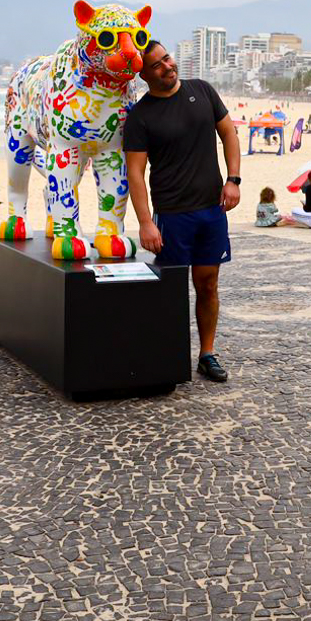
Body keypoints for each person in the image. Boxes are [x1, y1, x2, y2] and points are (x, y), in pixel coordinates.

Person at [123, 41, 241, 384]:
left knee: (208, 285)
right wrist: (145, 223)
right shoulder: (141, 116)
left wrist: (233, 179)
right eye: (157, 65)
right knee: (170, 291)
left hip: (211, 211)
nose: (167, 67)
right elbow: (135, 173)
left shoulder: (202, 90)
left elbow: (229, 134)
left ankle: (207, 354)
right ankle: (168, 356)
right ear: (143, 75)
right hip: (172, 216)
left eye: (167, 58)